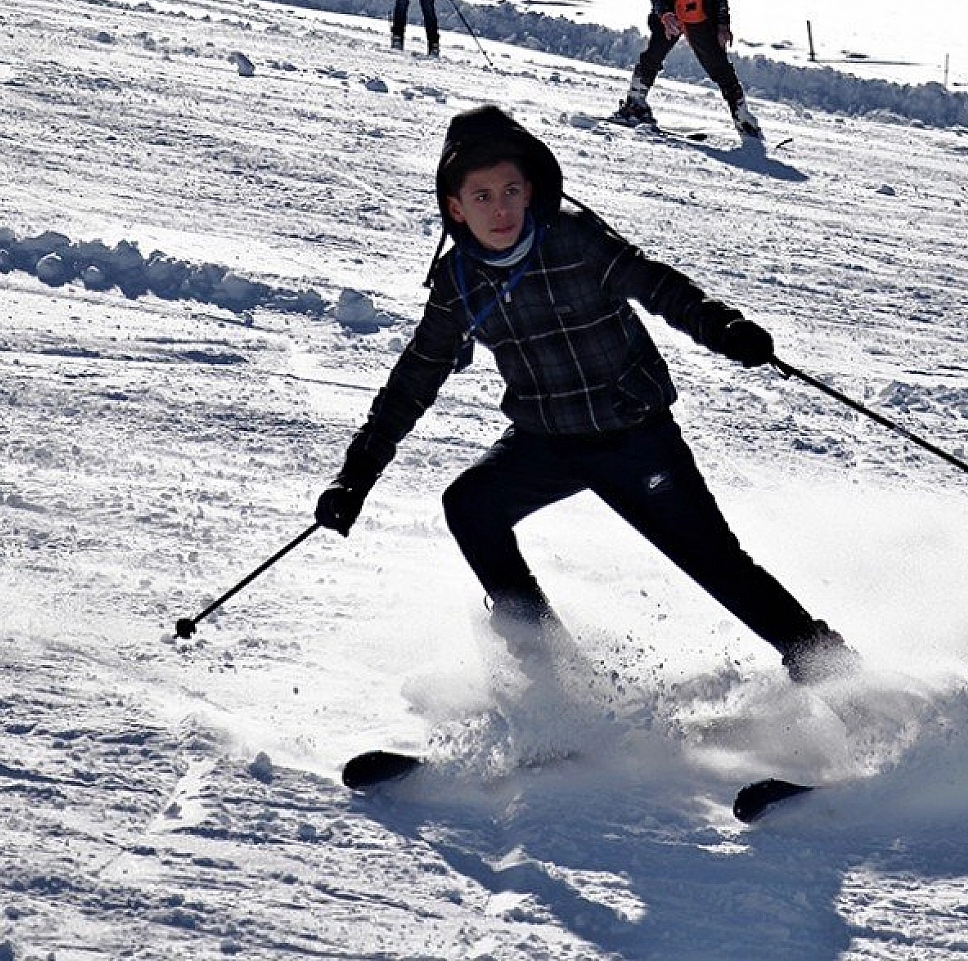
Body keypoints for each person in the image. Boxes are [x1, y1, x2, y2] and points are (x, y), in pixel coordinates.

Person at [315, 105, 854, 683]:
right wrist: (357, 474)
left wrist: (722, 328)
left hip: (635, 435)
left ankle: (830, 667)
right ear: (455, 208)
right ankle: (556, 681)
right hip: (548, 441)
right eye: (482, 197)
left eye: (510, 191)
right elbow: (413, 380)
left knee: (713, 560)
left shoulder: (573, 237)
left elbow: (658, 284)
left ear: (530, 190)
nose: (500, 209)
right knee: (471, 507)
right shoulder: (458, 283)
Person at [615, 0, 763, 139]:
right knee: (652, 56)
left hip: (700, 21)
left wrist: (723, 25)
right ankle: (635, 102)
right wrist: (664, 15)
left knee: (720, 67)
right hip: (673, 19)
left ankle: (742, 115)